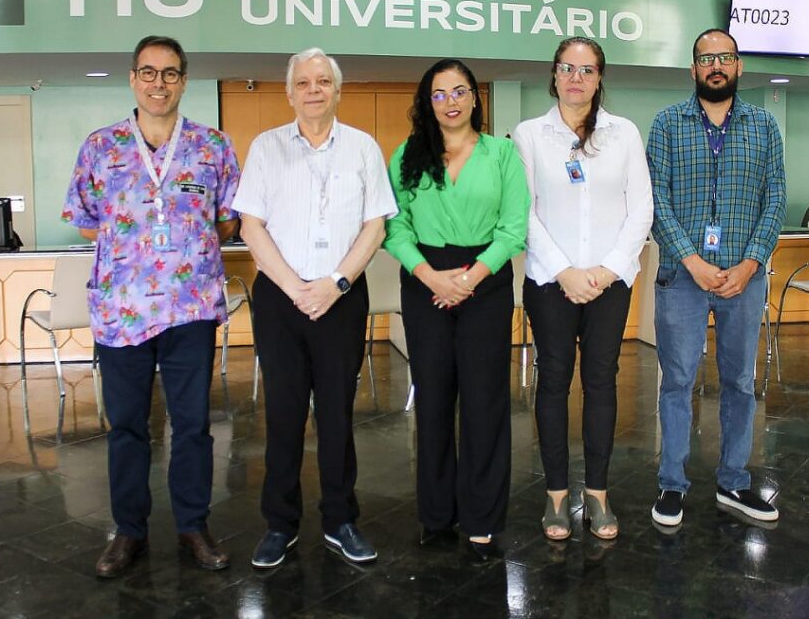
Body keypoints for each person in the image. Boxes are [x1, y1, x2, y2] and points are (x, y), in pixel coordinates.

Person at [62, 35, 240, 578]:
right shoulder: (101, 146)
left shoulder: (213, 146)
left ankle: (193, 525)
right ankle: (128, 531)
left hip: (190, 309)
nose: (158, 83)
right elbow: (86, 218)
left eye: (169, 73)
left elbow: (227, 220)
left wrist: (182, 244)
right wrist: (138, 244)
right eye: (148, 72)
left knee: (193, 425)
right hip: (123, 312)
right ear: (132, 78)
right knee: (126, 427)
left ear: (183, 81)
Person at [233, 48, 396, 569]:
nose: (313, 90)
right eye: (303, 82)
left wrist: (336, 283)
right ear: (289, 92)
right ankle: (279, 525)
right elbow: (250, 225)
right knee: (282, 414)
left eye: (323, 81)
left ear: (337, 90)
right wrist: (296, 287)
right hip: (281, 300)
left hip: (341, 300)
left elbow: (376, 225)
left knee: (337, 414)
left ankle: (340, 520)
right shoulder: (266, 148)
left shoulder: (364, 148)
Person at [384, 58, 529, 560]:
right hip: (425, 281)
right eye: (439, 93)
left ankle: (482, 518)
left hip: (484, 283)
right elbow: (394, 226)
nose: (450, 101)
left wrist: (468, 279)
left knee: (486, 402)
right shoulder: (407, 155)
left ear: (474, 98)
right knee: (433, 399)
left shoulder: (502, 154)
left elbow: (513, 227)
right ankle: (437, 513)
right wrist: (430, 276)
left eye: (459, 91)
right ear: (427, 102)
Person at [512, 37, 653, 541]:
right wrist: (565, 272)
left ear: (599, 78)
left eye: (587, 70)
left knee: (601, 381)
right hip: (551, 283)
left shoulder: (624, 133)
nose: (576, 78)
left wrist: (608, 270)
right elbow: (522, 210)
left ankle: (597, 493)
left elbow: (641, 207)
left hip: (609, 283)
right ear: (554, 75)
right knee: (552, 381)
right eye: (567, 68)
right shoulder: (530, 135)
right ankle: (556, 496)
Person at [646, 28, 786, 528]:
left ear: (739, 65)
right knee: (677, 381)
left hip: (743, 279)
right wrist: (693, 261)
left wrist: (750, 263)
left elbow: (776, 199)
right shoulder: (667, 124)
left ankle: (733, 482)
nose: (716, 66)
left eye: (724, 57)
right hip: (682, 276)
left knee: (739, 383)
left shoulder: (764, 126)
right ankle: (672, 483)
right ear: (693, 69)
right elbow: (656, 201)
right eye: (706, 59)